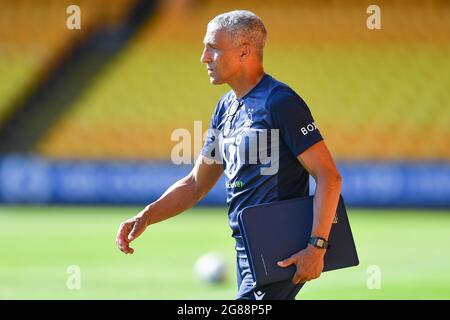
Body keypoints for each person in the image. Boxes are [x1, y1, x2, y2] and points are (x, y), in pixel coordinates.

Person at [116, 10, 342, 300]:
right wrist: (147, 216)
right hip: (246, 248)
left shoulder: (280, 102)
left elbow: (329, 176)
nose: (204, 57)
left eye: (213, 48)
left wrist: (317, 247)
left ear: (244, 52)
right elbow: (196, 184)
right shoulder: (225, 108)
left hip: (279, 247)